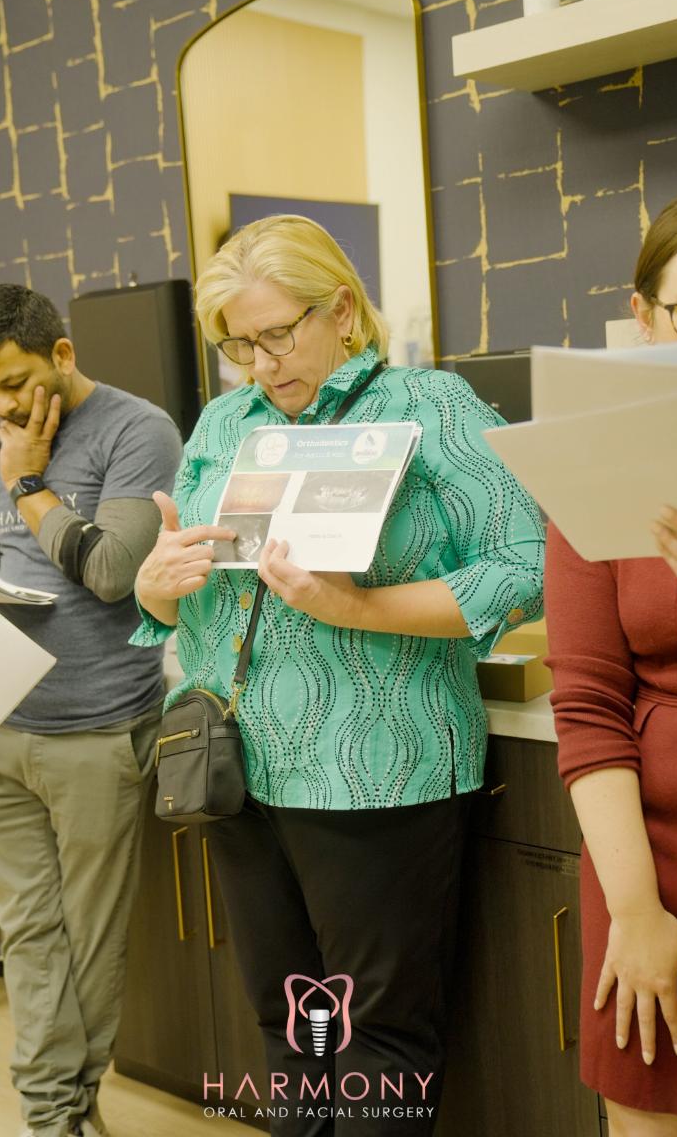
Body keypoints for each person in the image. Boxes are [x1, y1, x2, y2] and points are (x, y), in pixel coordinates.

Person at [132, 214, 545, 1135]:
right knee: (288, 1029)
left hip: (377, 764)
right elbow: (200, 592)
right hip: (240, 765)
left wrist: (362, 609)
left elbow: (529, 562)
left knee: (375, 1038)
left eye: (279, 333)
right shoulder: (226, 421)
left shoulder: (430, 407)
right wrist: (157, 589)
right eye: (239, 343)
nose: (262, 363)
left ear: (343, 309)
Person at [0, 284, 183, 1137]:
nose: (5, 407)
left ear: (63, 354)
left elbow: (115, 572)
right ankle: (52, 1118)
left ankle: (65, 1113)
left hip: (98, 732)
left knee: (89, 941)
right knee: (31, 935)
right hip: (5, 729)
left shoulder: (137, 432)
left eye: (14, 383)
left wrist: (31, 482)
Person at [544, 184, 677, 1137]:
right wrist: (636, 912)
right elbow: (588, 703)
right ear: (645, 318)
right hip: (646, 868)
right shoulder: (592, 460)